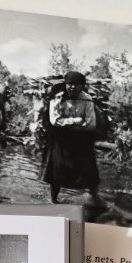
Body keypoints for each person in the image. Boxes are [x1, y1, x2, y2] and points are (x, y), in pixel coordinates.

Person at [42, 70, 103, 206]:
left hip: (81, 139)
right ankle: (53, 200)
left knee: (89, 169)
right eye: (70, 84)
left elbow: (91, 123)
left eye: (77, 85)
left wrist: (73, 126)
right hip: (60, 139)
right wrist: (75, 121)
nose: (73, 87)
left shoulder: (87, 99)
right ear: (65, 84)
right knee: (56, 169)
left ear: (82, 86)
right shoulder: (57, 98)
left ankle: (95, 199)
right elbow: (55, 120)